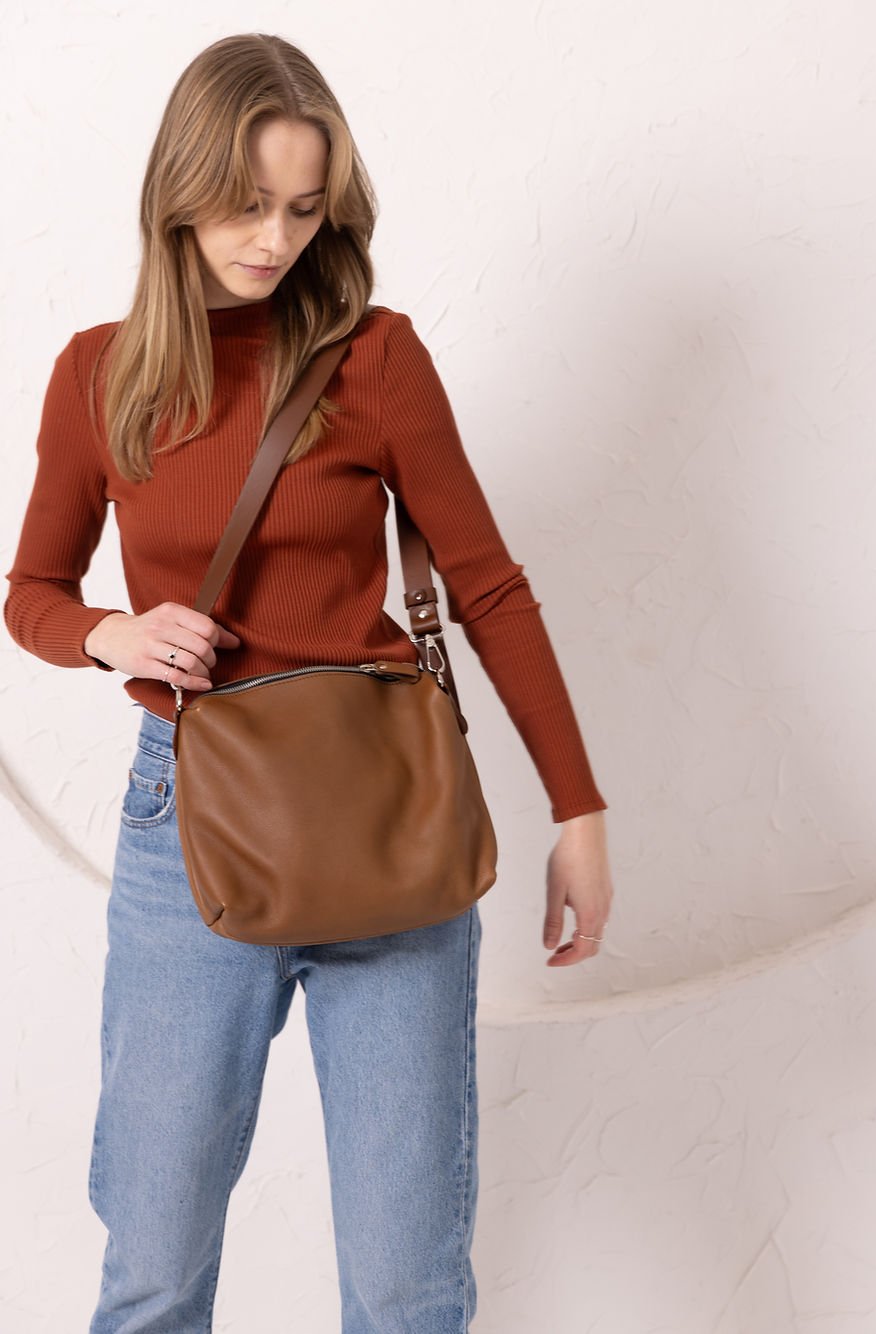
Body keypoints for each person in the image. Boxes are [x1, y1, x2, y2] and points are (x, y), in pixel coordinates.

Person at [3, 31, 614, 1334]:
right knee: (154, 1270)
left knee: (407, 1286)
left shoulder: (374, 358)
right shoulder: (96, 375)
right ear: (181, 184)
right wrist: (111, 633)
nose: (272, 239)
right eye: (245, 203)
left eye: (300, 207)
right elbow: (31, 597)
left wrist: (580, 810)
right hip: (189, 826)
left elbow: (488, 587)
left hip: (386, 821)